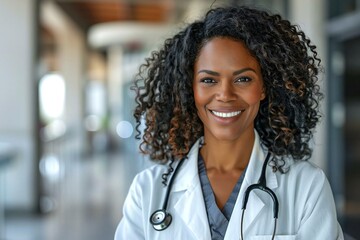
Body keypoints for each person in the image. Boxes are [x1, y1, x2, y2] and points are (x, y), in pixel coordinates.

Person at [114, 5, 344, 240]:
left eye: (243, 79)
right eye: (208, 80)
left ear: (264, 87)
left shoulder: (306, 186)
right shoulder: (147, 190)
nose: (225, 94)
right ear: (189, 88)